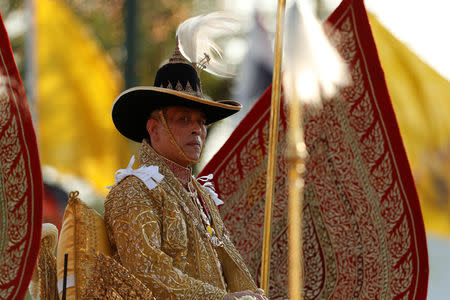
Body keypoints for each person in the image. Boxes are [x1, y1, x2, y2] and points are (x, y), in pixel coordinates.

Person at [104, 44, 267, 299]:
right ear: (154, 128)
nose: (197, 130)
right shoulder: (132, 191)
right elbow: (149, 273)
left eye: (201, 122)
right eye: (183, 119)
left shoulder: (200, 194)